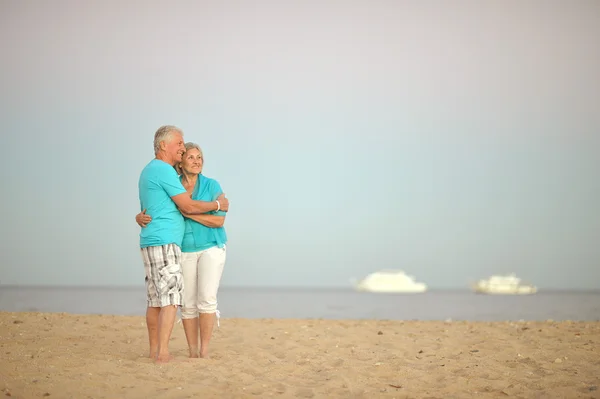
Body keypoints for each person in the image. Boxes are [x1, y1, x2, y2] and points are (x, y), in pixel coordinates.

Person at [138, 126, 229, 363]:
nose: (195, 159)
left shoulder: (209, 185)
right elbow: (180, 206)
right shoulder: (168, 174)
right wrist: (215, 206)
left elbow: (218, 222)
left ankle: (189, 350)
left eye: (199, 157)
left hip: (195, 245)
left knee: (174, 300)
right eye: (182, 148)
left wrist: (192, 213)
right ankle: (174, 352)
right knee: (177, 302)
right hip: (175, 245)